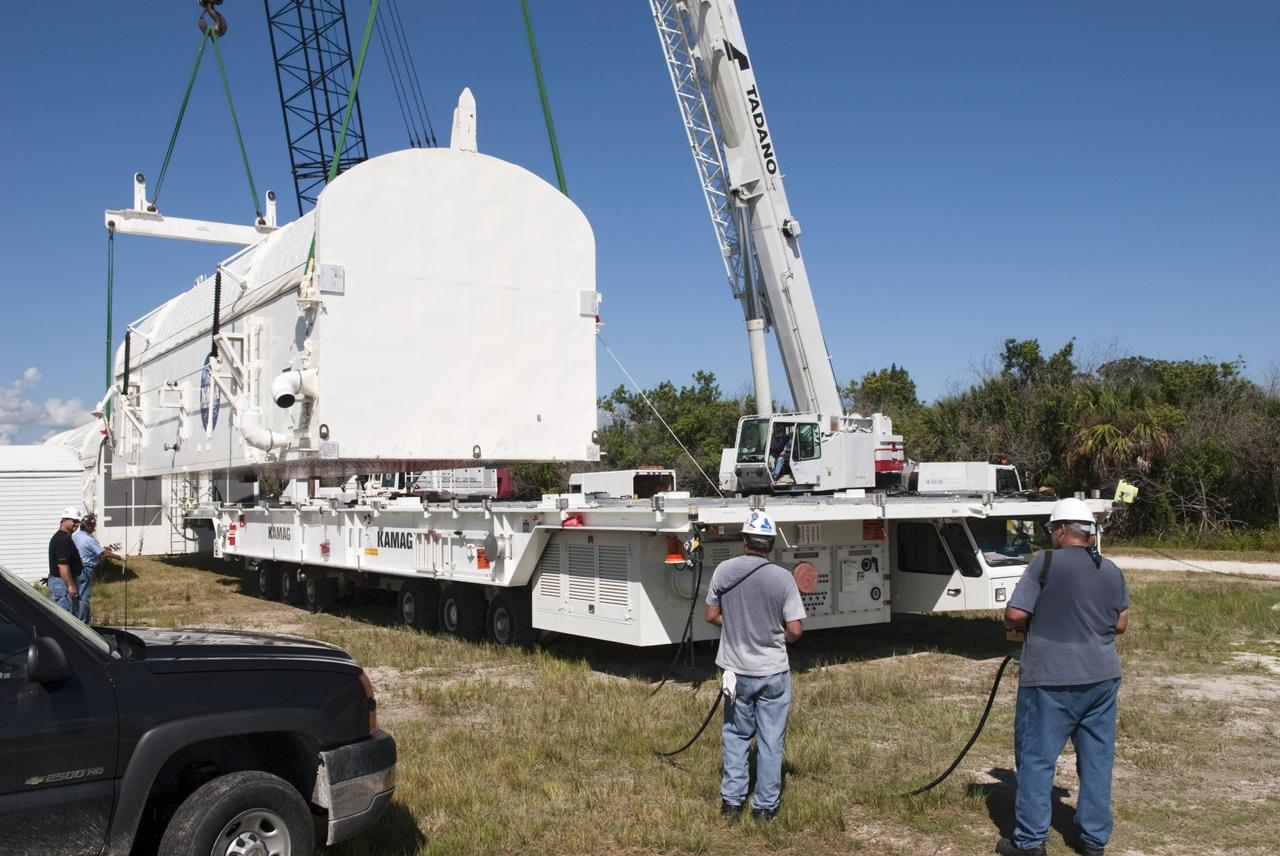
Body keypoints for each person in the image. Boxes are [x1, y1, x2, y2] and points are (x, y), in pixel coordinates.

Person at [997, 497, 1130, 856]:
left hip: (1050, 678)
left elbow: (1016, 613)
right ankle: (1092, 840)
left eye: (1051, 530)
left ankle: (1029, 842)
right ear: (1088, 534)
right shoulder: (1111, 569)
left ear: (1059, 530)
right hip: (1101, 677)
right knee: (1097, 761)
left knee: (1037, 759)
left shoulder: (1045, 562)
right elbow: (1121, 623)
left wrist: (1013, 623)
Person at [704, 510, 805, 821]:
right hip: (773, 670)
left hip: (736, 671)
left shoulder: (723, 571)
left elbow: (710, 615)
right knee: (771, 740)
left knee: (735, 736)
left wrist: (733, 627)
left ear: (744, 540)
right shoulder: (782, 578)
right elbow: (796, 630)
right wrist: (779, 638)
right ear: (770, 544)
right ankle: (764, 808)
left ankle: (732, 803)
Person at [72, 512, 122, 623]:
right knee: (84, 598)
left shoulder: (74, 536)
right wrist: (119, 557)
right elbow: (103, 554)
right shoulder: (89, 540)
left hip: (74, 569)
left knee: (75, 596)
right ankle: (82, 622)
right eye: (94, 527)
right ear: (90, 527)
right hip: (86, 569)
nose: (94, 529)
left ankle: (74, 621)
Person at [47, 506, 84, 616]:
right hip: (62, 584)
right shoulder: (63, 540)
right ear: (64, 521)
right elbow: (63, 566)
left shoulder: (65, 538)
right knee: (66, 617)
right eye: (74, 521)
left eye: (78, 522)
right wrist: (71, 586)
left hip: (62, 583)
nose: (77, 524)